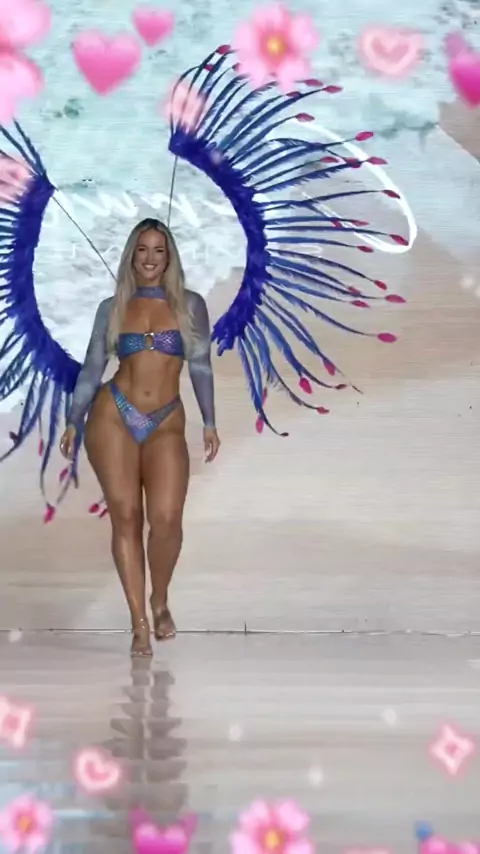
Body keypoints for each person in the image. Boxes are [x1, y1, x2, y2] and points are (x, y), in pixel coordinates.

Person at [59, 218, 220, 656]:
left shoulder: (191, 305)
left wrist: (209, 421)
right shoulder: (112, 307)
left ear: (170, 258)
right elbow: (92, 367)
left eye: (158, 250)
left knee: (166, 520)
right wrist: (74, 418)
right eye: (142, 250)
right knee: (126, 517)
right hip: (113, 414)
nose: (150, 258)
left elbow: (200, 366)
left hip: (166, 419)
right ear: (131, 255)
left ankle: (159, 598)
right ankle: (139, 623)